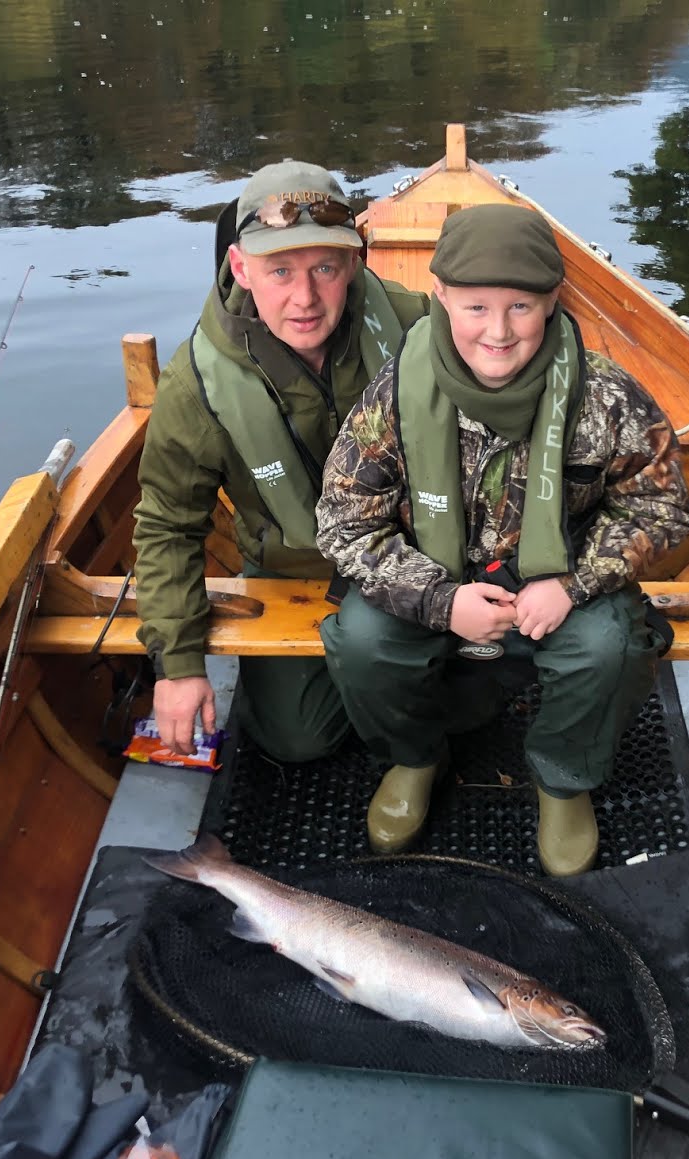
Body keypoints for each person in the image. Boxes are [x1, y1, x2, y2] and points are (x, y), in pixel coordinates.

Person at [314, 203, 689, 876]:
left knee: (610, 646)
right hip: (433, 577)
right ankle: (415, 757)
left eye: (519, 307)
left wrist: (574, 583)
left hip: (558, 578)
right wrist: (440, 601)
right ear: (441, 299)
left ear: (551, 302)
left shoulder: (606, 397)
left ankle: (562, 779)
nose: (497, 331)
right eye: (476, 307)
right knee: (363, 640)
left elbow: (660, 508)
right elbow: (345, 523)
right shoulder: (395, 395)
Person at [133, 161, 429, 762]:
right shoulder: (194, 387)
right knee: (296, 742)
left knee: (463, 691)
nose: (305, 298)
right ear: (241, 267)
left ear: (353, 263)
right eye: (280, 271)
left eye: (325, 267)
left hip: (415, 554)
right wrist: (179, 663)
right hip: (296, 571)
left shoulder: (412, 323)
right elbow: (168, 525)